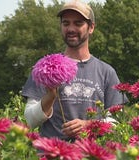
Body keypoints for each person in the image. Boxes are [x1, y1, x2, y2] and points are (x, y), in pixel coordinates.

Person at [22, 0, 127, 141]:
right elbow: (29, 120)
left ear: (91, 28)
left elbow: (117, 122)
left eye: (78, 23)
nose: (71, 29)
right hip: (52, 154)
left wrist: (88, 125)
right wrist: (50, 97)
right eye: (66, 23)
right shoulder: (45, 68)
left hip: (91, 154)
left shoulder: (106, 72)